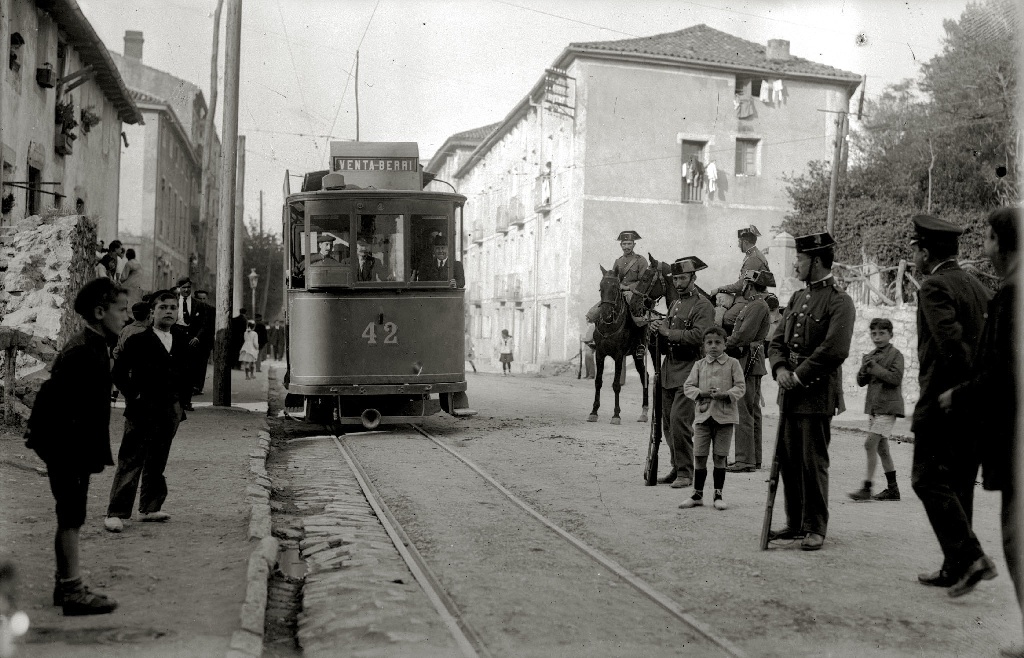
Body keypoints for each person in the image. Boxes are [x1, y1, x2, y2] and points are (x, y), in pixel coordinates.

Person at [941, 207, 1020, 650]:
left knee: (1014, 534)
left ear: (999, 242)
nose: (984, 248)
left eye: (988, 239)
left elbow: (1004, 371)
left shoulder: (1012, 293)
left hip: (1015, 435)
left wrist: (960, 394)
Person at [25, 278, 127, 615]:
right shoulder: (83, 351)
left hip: (72, 446)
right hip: (67, 447)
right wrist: (63, 454)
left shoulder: (96, 345)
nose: (126, 316)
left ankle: (64, 583)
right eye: (121, 310)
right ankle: (72, 591)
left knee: (72, 514)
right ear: (99, 312)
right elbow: (56, 404)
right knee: (71, 516)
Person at [908, 214, 997, 597]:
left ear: (926, 253)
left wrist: (955, 392)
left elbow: (950, 345)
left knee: (926, 479)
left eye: (916, 250)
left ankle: (972, 557)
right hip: (974, 405)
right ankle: (955, 567)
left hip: (943, 403)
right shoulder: (976, 285)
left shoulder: (934, 285)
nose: (914, 257)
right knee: (960, 486)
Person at [766, 231, 855, 552]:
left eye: (800, 259)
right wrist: (780, 369)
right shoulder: (796, 298)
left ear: (816, 261)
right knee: (788, 460)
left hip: (816, 393)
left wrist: (798, 376)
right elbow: (776, 341)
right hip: (790, 392)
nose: (795, 265)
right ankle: (795, 523)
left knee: (812, 462)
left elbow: (835, 349)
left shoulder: (840, 301)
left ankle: (816, 526)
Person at [104, 291, 190, 533]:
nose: (169, 311)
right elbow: (118, 372)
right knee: (132, 458)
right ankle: (116, 513)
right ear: (152, 312)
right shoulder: (139, 340)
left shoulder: (181, 339)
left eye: (173, 307)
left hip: (170, 409)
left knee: (158, 458)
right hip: (142, 409)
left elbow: (187, 372)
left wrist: (181, 401)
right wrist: (134, 395)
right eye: (163, 307)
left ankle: (149, 508)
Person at [653, 256, 714, 488]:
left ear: (693, 278)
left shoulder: (702, 305)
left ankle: (687, 472)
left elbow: (700, 336)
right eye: (675, 279)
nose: (678, 283)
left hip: (690, 370)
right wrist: (656, 330)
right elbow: (666, 334)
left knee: (680, 422)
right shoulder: (674, 304)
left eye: (682, 278)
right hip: (669, 369)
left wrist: (668, 333)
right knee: (668, 423)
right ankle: (677, 467)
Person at [681, 326, 745, 510]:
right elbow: (688, 387)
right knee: (700, 455)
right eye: (709, 342)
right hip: (703, 417)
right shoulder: (699, 365)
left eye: (718, 342)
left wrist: (726, 394)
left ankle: (718, 495)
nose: (713, 346)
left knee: (720, 456)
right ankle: (697, 494)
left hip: (725, 418)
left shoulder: (733, 364)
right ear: (703, 345)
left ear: (725, 344)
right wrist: (702, 393)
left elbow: (740, 387)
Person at [848, 318, 905, 502]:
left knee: (869, 444)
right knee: (882, 449)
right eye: (874, 334)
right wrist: (864, 369)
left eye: (882, 333)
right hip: (874, 409)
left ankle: (867, 487)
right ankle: (893, 490)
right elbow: (860, 381)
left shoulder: (896, 355)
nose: (877, 337)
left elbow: (895, 379)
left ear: (891, 334)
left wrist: (875, 368)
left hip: (888, 409)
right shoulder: (871, 355)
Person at [725, 269, 775, 473]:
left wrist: (723, 342)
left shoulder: (756, 305)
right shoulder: (756, 304)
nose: (741, 288)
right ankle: (753, 458)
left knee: (744, 410)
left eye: (744, 284)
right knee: (751, 411)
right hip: (751, 360)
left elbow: (744, 335)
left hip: (748, 360)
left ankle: (745, 459)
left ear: (750, 285)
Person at [710, 226, 772, 330]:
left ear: (745, 242)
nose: (738, 245)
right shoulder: (752, 255)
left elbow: (741, 285)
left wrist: (720, 289)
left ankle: (736, 340)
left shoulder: (753, 258)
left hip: (752, 297)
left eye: (739, 242)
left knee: (728, 318)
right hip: (748, 294)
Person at [585, 230, 648, 323]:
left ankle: (642, 322)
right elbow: (614, 278)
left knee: (638, 316)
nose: (626, 247)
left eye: (629, 244)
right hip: (618, 292)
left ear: (634, 245)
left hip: (633, 293)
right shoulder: (618, 261)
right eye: (624, 244)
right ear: (621, 245)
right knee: (595, 312)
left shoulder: (641, 260)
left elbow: (644, 282)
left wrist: (627, 287)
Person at [174, 277, 209, 410]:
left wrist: (197, 338)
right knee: (176, 370)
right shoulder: (174, 302)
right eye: (183, 287)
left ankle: (187, 402)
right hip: (176, 337)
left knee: (190, 371)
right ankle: (176, 402)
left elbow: (204, 324)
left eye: (188, 287)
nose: (186, 290)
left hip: (192, 339)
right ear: (179, 289)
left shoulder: (198, 304)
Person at [192, 290, 215, 393]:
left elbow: (212, 327)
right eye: (199, 299)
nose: (202, 301)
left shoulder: (212, 310)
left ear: (207, 299)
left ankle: (198, 386)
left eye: (204, 299)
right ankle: (191, 385)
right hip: (192, 340)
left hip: (205, 342)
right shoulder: (192, 309)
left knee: (202, 364)